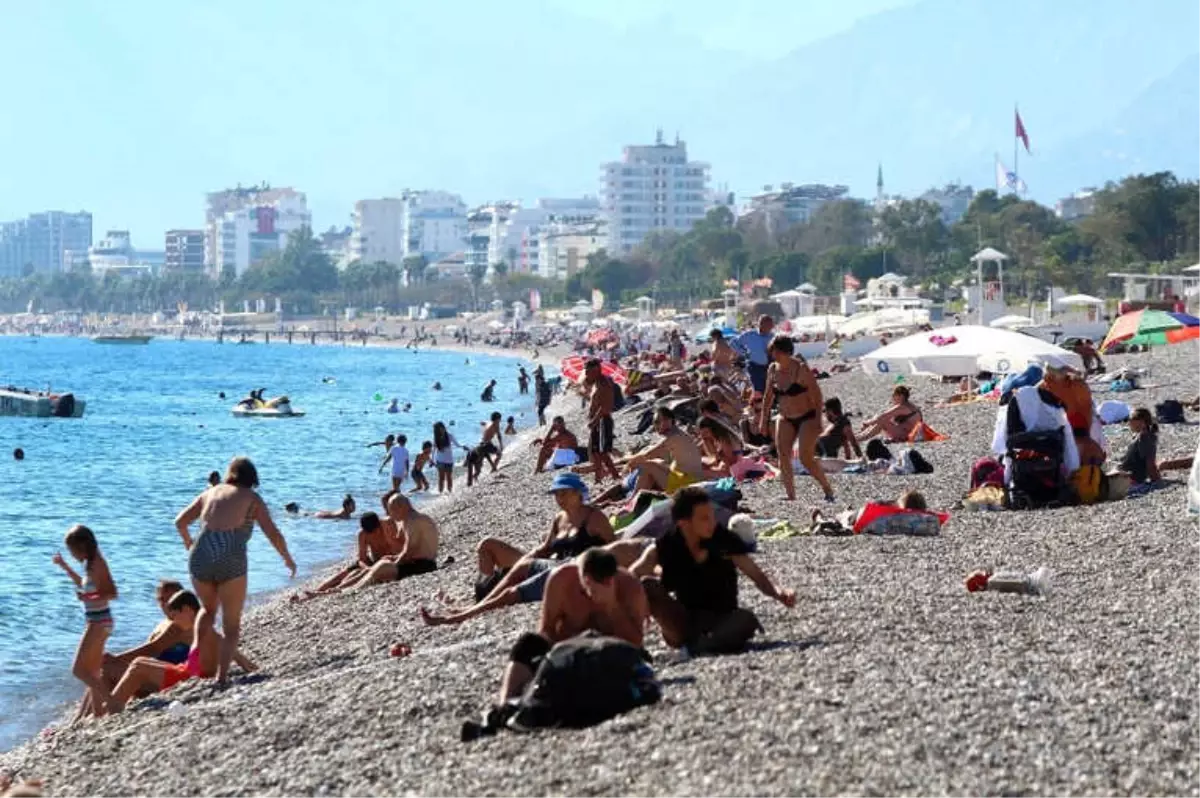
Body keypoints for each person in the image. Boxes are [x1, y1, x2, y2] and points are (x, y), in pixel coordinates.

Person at [420, 473, 634, 627]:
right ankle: (479, 603)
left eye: (565, 494)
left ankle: (459, 617)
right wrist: (524, 562)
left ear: (578, 494)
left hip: (575, 573)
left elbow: (613, 551)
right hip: (554, 566)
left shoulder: (595, 518)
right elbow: (544, 549)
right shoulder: (559, 518)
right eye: (557, 495)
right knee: (509, 560)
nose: (560, 499)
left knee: (512, 593)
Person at [176, 456, 296, 684]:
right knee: (231, 625)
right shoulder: (252, 499)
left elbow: (179, 522)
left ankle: (194, 651)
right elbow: (273, 533)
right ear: (252, 479)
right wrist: (287, 558)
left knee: (208, 610)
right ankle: (221, 677)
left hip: (200, 554)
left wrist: (189, 544)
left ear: (230, 474)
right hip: (230, 555)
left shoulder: (210, 492)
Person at [632, 487, 795, 654]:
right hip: (684, 620)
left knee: (746, 619)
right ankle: (697, 645)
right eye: (704, 518)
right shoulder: (666, 545)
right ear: (683, 523)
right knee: (647, 585)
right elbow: (631, 576)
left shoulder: (724, 540)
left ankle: (697, 647)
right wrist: (638, 604)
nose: (712, 523)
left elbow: (756, 575)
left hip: (722, 617)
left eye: (712, 516)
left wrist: (779, 593)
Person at [489, 548, 648, 707]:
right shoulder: (561, 580)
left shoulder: (630, 587)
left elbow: (636, 643)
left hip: (608, 656)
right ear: (585, 579)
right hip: (566, 653)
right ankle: (504, 705)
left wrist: (612, 606)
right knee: (528, 644)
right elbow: (546, 630)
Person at [109, 590, 258, 713]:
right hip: (184, 671)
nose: (174, 622)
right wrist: (245, 663)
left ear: (187, 610)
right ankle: (115, 703)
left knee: (138, 666)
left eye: (175, 616)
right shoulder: (201, 626)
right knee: (141, 661)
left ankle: (112, 708)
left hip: (186, 676)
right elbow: (224, 643)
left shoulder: (202, 628)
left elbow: (222, 642)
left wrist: (242, 665)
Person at [52, 525, 119, 715]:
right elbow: (84, 585)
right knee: (93, 671)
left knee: (79, 670)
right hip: (99, 621)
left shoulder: (98, 563)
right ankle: (98, 714)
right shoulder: (90, 564)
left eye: (71, 551)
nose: (72, 555)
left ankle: (112, 702)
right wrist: (64, 566)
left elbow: (112, 592)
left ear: (82, 546)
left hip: (99, 622)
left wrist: (87, 598)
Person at [759, 336, 834, 502]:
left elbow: (817, 395)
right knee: (783, 455)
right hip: (785, 417)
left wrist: (818, 420)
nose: (774, 355)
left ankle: (827, 488)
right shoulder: (772, 369)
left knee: (804, 457)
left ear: (787, 352)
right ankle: (790, 495)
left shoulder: (800, 369)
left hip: (807, 416)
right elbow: (768, 396)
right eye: (773, 352)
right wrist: (763, 420)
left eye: (777, 352)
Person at [328, 494, 440, 592]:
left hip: (424, 566)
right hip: (423, 563)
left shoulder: (411, 521)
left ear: (401, 507)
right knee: (380, 564)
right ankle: (339, 589)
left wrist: (394, 562)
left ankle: (350, 590)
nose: (391, 514)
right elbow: (412, 551)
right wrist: (393, 558)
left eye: (392, 510)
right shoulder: (414, 519)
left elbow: (409, 551)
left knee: (382, 566)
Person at [292, 511, 402, 600]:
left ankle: (331, 591)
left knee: (358, 574)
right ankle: (317, 590)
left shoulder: (388, 525)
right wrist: (368, 567)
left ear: (378, 525)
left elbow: (400, 545)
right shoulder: (362, 534)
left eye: (374, 532)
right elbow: (362, 559)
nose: (373, 535)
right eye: (369, 533)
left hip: (388, 561)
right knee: (343, 573)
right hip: (372, 561)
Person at [625, 406, 705, 493]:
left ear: (668, 421)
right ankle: (636, 495)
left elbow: (647, 455)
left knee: (647, 466)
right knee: (655, 463)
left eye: (657, 422)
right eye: (654, 422)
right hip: (687, 477)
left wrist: (630, 463)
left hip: (687, 482)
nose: (655, 426)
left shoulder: (672, 437)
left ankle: (631, 499)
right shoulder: (678, 433)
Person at [584, 358, 621, 485]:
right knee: (596, 452)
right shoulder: (597, 383)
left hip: (602, 421)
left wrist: (594, 420)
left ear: (597, 370)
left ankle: (615, 476)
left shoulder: (604, 384)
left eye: (588, 372)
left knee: (603, 452)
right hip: (598, 422)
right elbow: (596, 402)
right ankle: (598, 478)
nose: (586, 374)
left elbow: (606, 406)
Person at [731, 315, 775, 394]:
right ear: (761, 324)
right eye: (769, 325)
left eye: (771, 325)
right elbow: (734, 343)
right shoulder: (750, 335)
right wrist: (744, 353)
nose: (771, 327)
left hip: (769, 366)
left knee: (769, 389)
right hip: (755, 367)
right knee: (758, 390)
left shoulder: (772, 336)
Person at [1117, 408, 1160, 484]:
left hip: (1133, 478)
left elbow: (1150, 464)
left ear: (1142, 423)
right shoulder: (1143, 436)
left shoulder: (1145, 439)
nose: (1129, 423)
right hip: (1130, 474)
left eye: (1131, 420)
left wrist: (1157, 481)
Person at [433, 421, 467, 493]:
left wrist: (463, 446)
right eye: (439, 429)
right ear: (436, 431)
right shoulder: (436, 438)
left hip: (449, 461)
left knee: (449, 478)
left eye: (442, 428)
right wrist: (432, 461)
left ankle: (450, 492)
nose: (441, 430)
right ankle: (440, 493)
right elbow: (433, 450)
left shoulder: (449, 436)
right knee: (441, 478)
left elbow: (457, 444)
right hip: (440, 461)